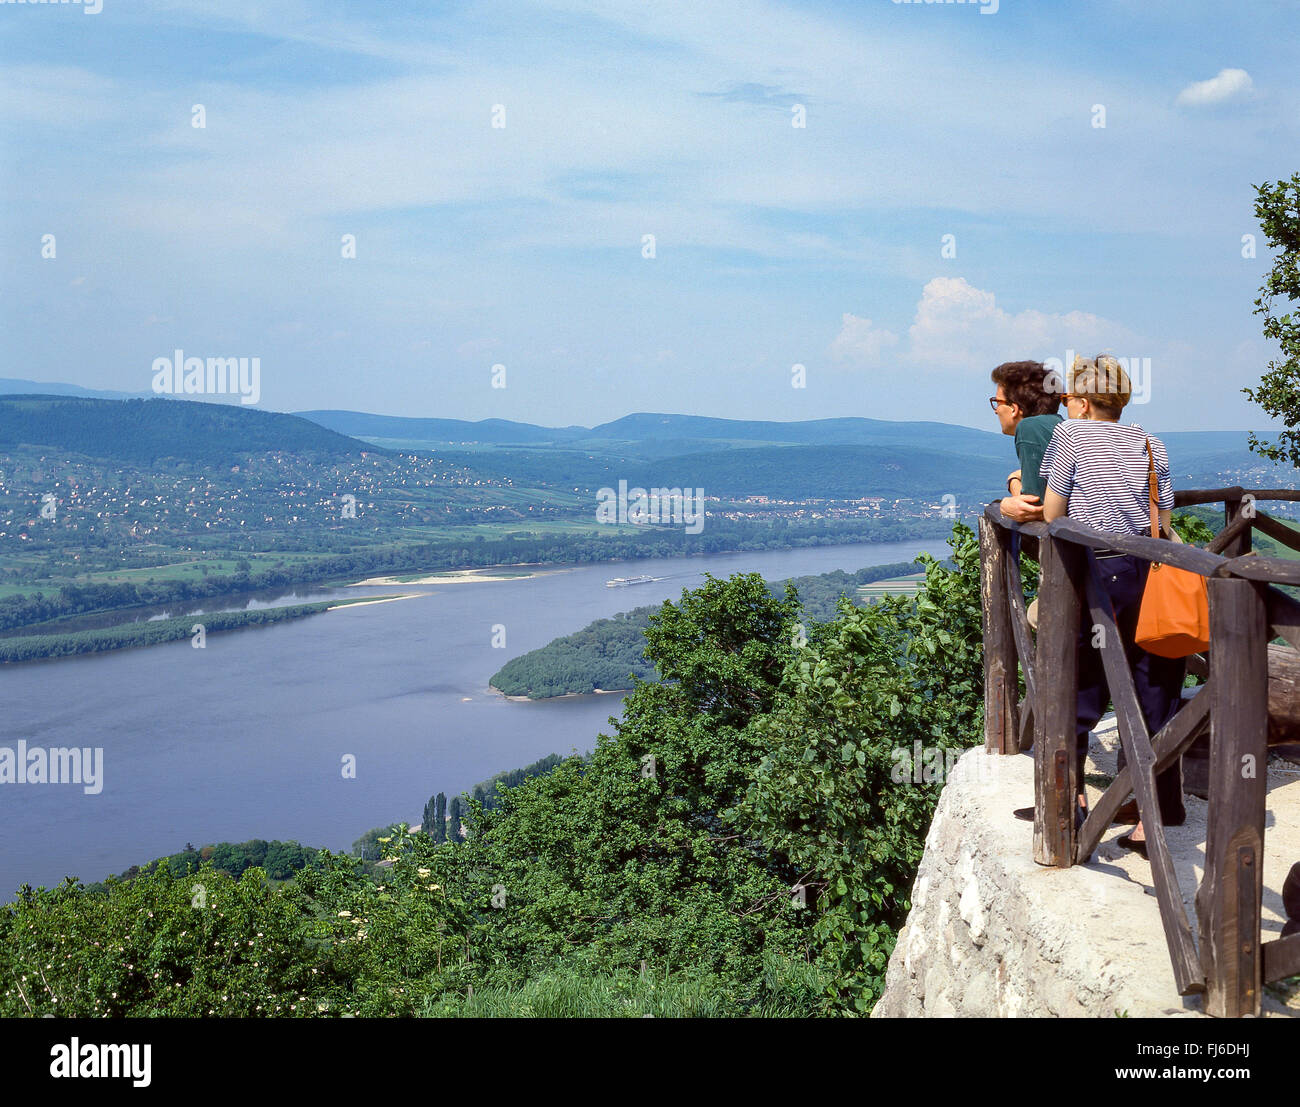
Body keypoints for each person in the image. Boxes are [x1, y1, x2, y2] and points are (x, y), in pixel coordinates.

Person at [1039, 355, 1187, 858]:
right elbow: (1162, 516)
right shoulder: (1150, 441)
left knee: (1080, 687)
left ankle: (1070, 800)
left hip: (1098, 574)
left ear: (1081, 401)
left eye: (1067, 399)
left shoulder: (1070, 437)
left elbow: (1056, 513)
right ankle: (1156, 813)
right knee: (1155, 691)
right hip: (1150, 572)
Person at [990, 360, 1063, 524]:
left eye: (997, 402)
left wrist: (1012, 482)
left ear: (1014, 408)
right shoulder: (1057, 425)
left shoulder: (1029, 428)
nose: (996, 410)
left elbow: (1033, 506)